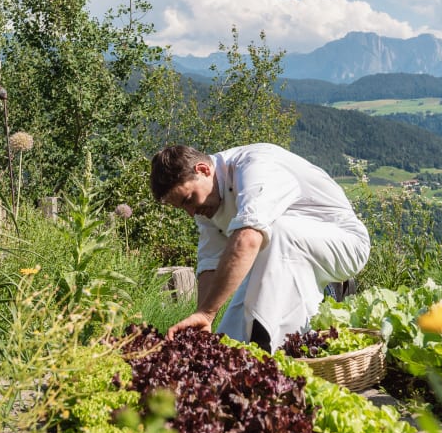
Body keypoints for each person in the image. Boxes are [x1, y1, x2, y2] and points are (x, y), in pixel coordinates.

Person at [151, 143, 370, 351]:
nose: (191, 212)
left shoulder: (254, 166)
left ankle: (283, 354)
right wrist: (202, 317)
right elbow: (210, 265)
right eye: (183, 207)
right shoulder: (206, 202)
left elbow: (249, 238)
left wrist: (208, 313)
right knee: (231, 340)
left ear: (203, 170)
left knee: (271, 233)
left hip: (345, 242)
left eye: (189, 199)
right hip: (279, 253)